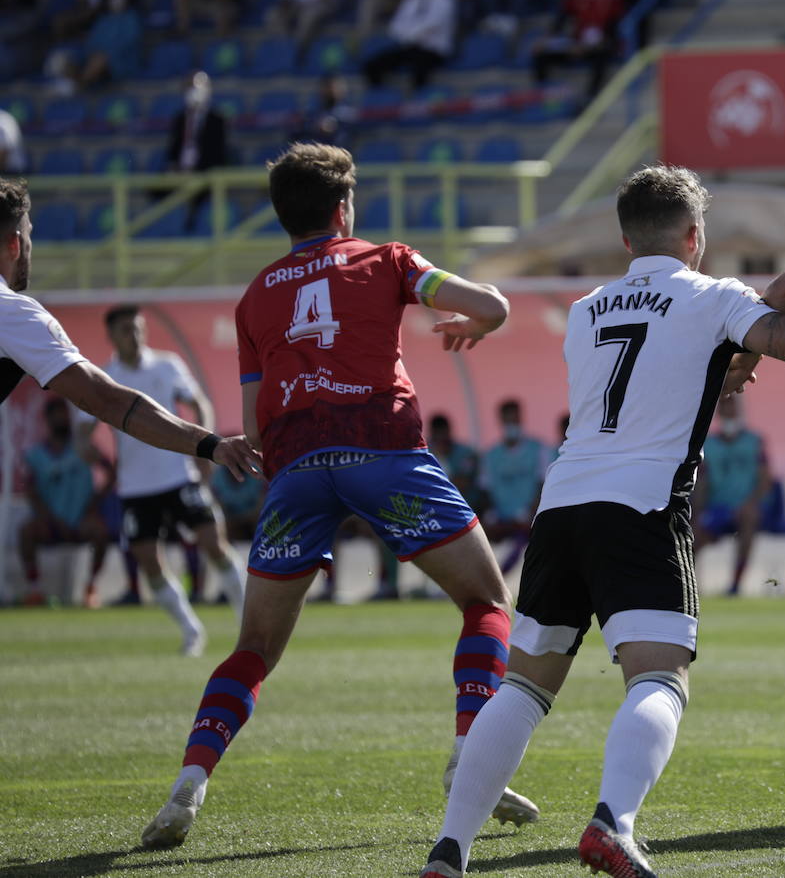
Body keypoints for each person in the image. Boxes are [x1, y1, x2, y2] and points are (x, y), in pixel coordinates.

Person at [420, 163, 785, 878]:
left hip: (561, 506)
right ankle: (613, 823)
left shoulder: (590, 307)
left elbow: (660, 365)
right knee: (659, 680)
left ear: (625, 240)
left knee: (523, 688)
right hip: (644, 507)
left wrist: (730, 361)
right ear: (695, 236)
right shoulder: (714, 294)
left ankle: (449, 849)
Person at [139, 142, 536, 852]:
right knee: (485, 601)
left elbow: (257, 422)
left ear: (281, 215)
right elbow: (493, 304)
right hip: (384, 452)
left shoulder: (255, 296)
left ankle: (188, 784)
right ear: (344, 207)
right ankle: (468, 756)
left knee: (255, 646)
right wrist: (477, 323)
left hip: (297, 471)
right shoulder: (388, 259)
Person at [0, 177, 260, 525]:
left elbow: (196, 403)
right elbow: (107, 401)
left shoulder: (168, 365)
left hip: (171, 476)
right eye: (31, 235)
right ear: (16, 243)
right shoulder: (12, 312)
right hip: (142, 479)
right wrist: (212, 445)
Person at [81, 304, 248, 652]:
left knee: (214, 545)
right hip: (136, 488)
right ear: (111, 336)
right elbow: (82, 433)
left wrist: (206, 449)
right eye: (126, 329)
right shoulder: (105, 378)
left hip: (179, 477)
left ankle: (247, 624)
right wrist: (100, 461)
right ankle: (191, 632)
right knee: (148, 563)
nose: (135, 335)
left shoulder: (167, 364)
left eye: (139, 328)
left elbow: (198, 403)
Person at [19, 398, 113, 606]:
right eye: (57, 416)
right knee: (26, 532)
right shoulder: (35, 455)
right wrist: (50, 518)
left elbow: (111, 472)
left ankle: (90, 587)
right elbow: (31, 491)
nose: (62, 420)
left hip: (80, 519)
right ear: (48, 420)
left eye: (65, 415)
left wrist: (94, 504)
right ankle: (34, 590)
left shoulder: (83, 448)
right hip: (50, 521)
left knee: (100, 532)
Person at [694, 394, 771, 596]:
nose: (729, 410)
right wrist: (696, 514)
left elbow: (765, 479)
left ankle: (736, 584)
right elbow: (701, 483)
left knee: (750, 517)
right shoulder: (707, 445)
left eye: (732, 405)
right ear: (718, 411)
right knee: (693, 537)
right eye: (725, 406)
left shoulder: (754, 441)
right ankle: (688, 586)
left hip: (745, 507)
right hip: (717, 507)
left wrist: (751, 503)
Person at [530, 0, 624, 102]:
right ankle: (541, 93)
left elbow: (615, 24)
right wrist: (548, 39)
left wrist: (600, 42)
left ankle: (591, 97)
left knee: (602, 55)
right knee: (540, 53)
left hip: (601, 42)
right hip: (577, 42)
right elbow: (562, 17)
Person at [363, 0, 458, 90]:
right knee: (372, 66)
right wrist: (408, 35)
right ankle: (382, 97)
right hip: (409, 47)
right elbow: (396, 25)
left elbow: (433, 23)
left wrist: (410, 34)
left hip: (433, 49)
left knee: (420, 69)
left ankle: (416, 103)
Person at [480, 398, 545, 571]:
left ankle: (499, 579)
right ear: (500, 421)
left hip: (529, 520)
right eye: (507, 420)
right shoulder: (491, 454)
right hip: (501, 520)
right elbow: (485, 490)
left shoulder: (538, 449)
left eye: (514, 419)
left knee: (523, 542)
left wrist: (530, 513)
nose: (511, 424)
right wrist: (491, 515)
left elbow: (543, 485)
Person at [165, 71, 230, 233]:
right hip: (180, 172)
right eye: (188, 87)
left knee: (202, 192)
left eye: (196, 86)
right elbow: (173, 149)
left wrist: (197, 172)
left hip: (205, 173)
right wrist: (174, 167)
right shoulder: (180, 119)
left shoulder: (217, 118)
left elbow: (218, 154)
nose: (192, 90)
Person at [270, 0, 357, 58]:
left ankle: (297, 55)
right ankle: (284, 52)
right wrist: (285, 10)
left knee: (308, 16)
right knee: (273, 16)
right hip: (298, 2)